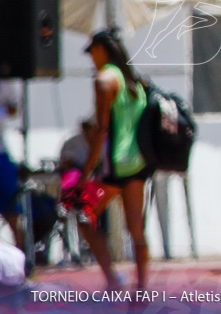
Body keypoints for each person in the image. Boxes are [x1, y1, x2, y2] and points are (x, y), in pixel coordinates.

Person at [77, 28, 152, 291]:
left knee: (84, 215)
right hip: (139, 163)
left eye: (92, 53)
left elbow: (102, 130)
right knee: (136, 229)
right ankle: (142, 288)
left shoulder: (104, 80)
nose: (91, 60)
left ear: (100, 50)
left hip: (116, 164)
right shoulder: (134, 80)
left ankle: (111, 279)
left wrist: (86, 172)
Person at [0, 80, 24, 254]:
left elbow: (13, 110)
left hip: (1, 153)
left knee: (12, 209)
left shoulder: (6, 81)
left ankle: (23, 260)